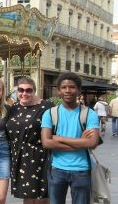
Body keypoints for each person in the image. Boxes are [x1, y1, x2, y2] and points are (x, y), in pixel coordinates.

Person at [41, 72, 100, 204]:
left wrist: (59, 138)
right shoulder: (50, 114)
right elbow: (46, 143)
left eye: (72, 87)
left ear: (79, 90)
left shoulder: (89, 114)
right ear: (58, 91)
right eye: (64, 87)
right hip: (57, 169)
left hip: (82, 169)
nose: (68, 90)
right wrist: (81, 142)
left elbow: (93, 142)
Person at [6, 77, 53, 204]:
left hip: (38, 156)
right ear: (16, 91)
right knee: (27, 195)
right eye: (21, 90)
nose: (24, 93)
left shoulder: (46, 106)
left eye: (28, 90)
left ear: (34, 91)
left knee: (40, 196)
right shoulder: (14, 107)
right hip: (18, 156)